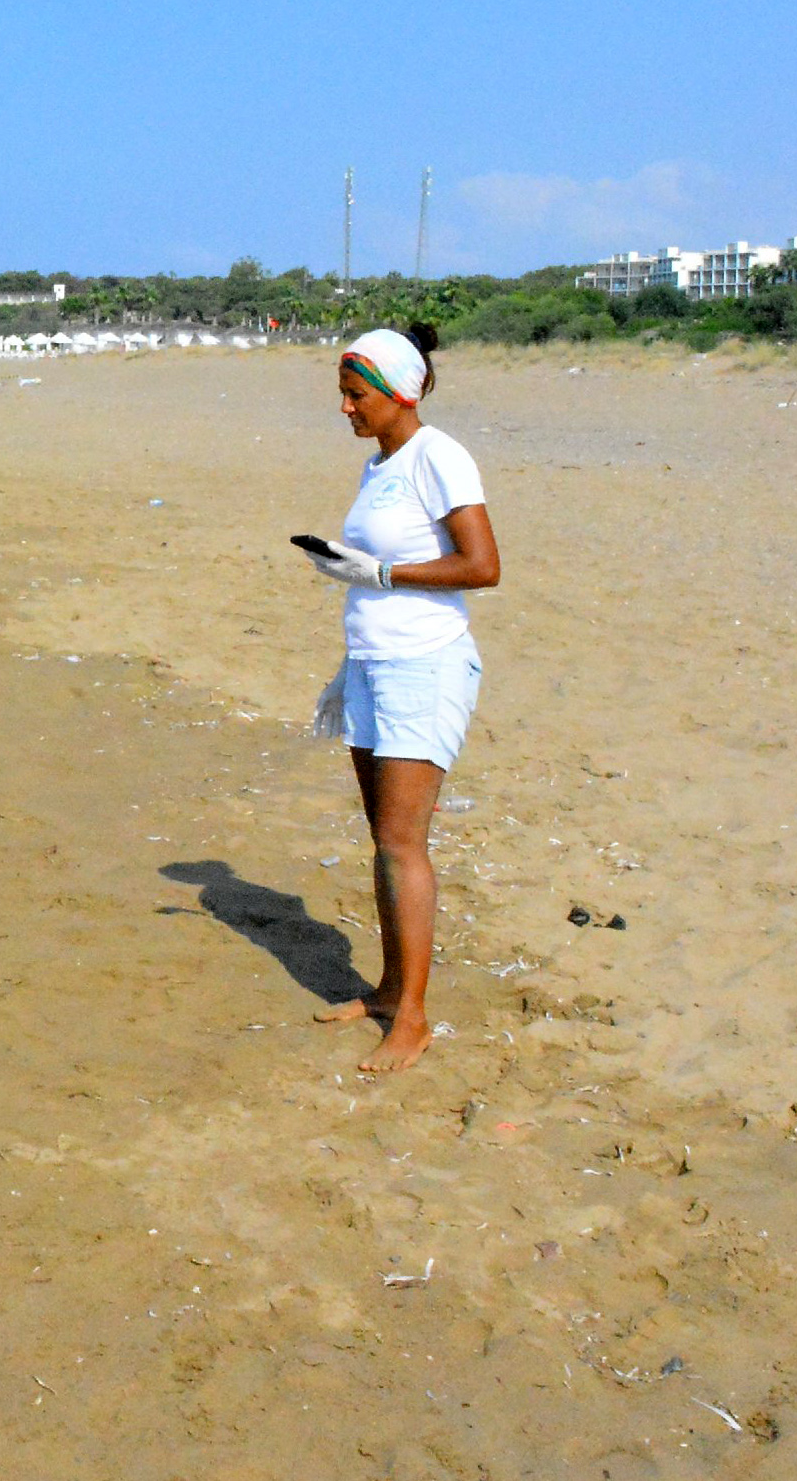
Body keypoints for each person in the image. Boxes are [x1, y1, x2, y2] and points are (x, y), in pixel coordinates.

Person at [300, 325, 499, 1072]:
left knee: (401, 843)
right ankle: (387, 989)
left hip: (424, 666)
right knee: (382, 840)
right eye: (343, 396)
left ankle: (411, 1018)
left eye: (356, 395)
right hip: (371, 667)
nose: (345, 408)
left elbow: (481, 566)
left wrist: (379, 575)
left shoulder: (436, 456)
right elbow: (379, 561)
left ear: (397, 393)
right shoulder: (376, 466)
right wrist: (347, 572)